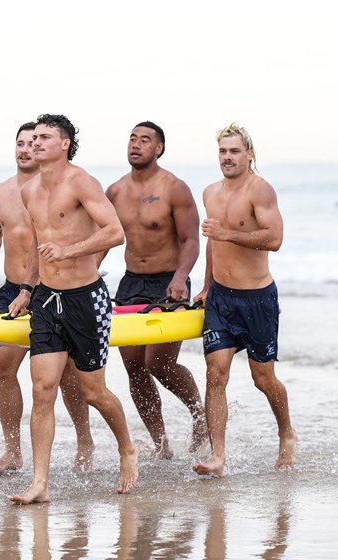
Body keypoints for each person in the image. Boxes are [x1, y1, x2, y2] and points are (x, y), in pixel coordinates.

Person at [8, 114, 139, 504]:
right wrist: (26, 289)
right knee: (42, 389)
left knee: (94, 391)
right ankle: (40, 483)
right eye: (32, 139)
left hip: (86, 298)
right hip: (47, 299)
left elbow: (115, 232)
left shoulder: (81, 182)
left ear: (64, 143)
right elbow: (36, 244)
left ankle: (127, 449)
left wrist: (68, 251)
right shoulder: (30, 191)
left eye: (44, 137)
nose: (34, 144)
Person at [0, 121, 94, 475]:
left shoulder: (60, 188)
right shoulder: (0, 191)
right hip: (13, 288)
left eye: (34, 141)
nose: (26, 148)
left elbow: (92, 231)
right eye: (21, 143)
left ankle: (84, 441)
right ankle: (13, 450)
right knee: (2, 367)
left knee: (68, 373)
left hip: (53, 288)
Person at [192, 122, 297, 477]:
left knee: (263, 379)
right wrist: (206, 285)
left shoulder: (260, 190)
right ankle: (218, 455)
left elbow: (274, 238)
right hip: (221, 299)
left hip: (257, 301)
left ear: (249, 154)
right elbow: (212, 241)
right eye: (222, 151)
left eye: (234, 151)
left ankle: (286, 432)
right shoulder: (210, 192)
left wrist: (227, 233)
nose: (227, 157)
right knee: (214, 374)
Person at [104, 121, 206, 459]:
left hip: (169, 283)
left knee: (159, 364)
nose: (135, 144)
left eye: (144, 140)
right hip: (131, 282)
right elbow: (104, 236)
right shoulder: (115, 191)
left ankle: (200, 417)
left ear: (158, 148)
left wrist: (181, 277)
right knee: (134, 366)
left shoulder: (174, 188)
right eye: (132, 138)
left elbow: (192, 240)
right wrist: (88, 271)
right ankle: (161, 443)